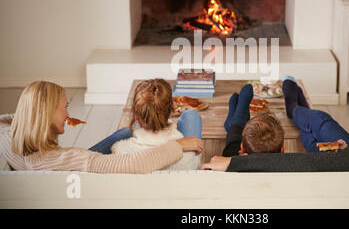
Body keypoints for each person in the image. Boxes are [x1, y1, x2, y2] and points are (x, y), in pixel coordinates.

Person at [201, 76, 349, 172]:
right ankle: (297, 109)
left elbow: (302, 162)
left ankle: (294, 108)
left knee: (319, 120)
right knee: (317, 124)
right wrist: (348, 152)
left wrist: (233, 163)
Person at [2, 81, 203, 173]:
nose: (69, 115)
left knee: (125, 132)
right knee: (191, 117)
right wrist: (179, 145)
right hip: (76, 169)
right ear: (44, 115)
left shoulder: (14, 137)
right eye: (65, 107)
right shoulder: (66, 159)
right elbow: (132, 164)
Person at [111, 79, 203, 170]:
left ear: (136, 117)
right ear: (171, 110)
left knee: (127, 130)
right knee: (191, 115)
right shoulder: (190, 154)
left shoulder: (120, 151)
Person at [221, 84, 285, 157]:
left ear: (242, 148)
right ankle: (235, 121)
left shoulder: (229, 161)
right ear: (283, 148)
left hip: (235, 159)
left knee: (232, 146)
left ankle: (235, 123)